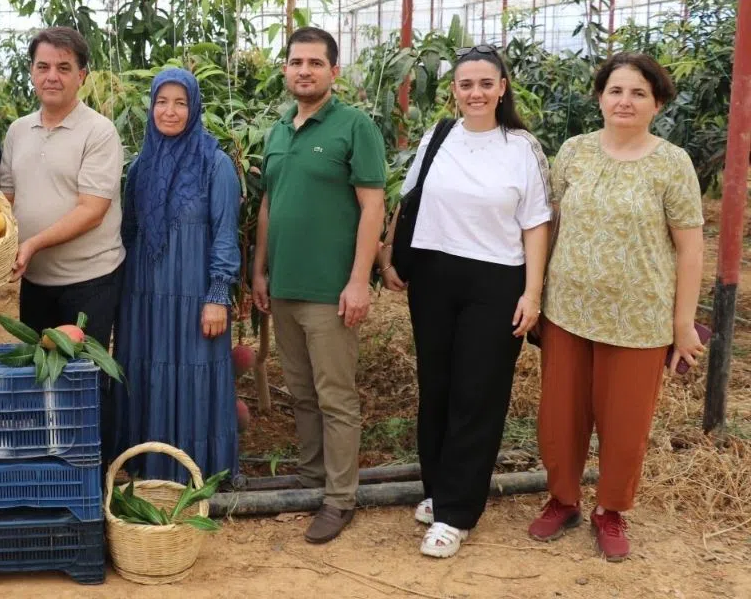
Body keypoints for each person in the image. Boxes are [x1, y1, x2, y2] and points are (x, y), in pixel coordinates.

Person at [528, 53, 704, 562]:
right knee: (560, 416)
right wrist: (536, 292)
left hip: (639, 316)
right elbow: (551, 223)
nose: (625, 101)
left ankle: (610, 509)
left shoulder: (672, 162)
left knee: (625, 423)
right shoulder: (574, 151)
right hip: (569, 309)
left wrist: (683, 324)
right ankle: (563, 500)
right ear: (600, 98)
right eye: (616, 91)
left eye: (638, 93)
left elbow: (690, 248)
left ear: (657, 104)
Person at [377, 45, 551, 558]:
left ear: (502, 89)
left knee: (478, 393)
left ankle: (457, 513)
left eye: (485, 84)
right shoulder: (438, 136)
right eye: (466, 84)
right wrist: (389, 255)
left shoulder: (521, 147)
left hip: (495, 280)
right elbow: (409, 199)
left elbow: (536, 223)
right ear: (454, 90)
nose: (475, 93)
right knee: (437, 388)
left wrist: (532, 292)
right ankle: (438, 489)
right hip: (434, 275)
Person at [252, 27, 386, 544]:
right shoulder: (278, 131)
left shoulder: (355, 126)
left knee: (335, 397)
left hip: (331, 290)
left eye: (314, 62)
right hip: (285, 287)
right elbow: (269, 205)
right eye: (295, 62)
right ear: (285, 70)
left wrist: (358, 280)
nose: (303, 70)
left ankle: (340, 497)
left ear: (334, 71)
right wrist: (260, 270)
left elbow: (372, 206)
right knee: (302, 392)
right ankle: (312, 478)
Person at [110, 67, 241, 484]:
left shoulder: (214, 164)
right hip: (144, 295)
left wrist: (218, 294)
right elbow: (129, 233)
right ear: (151, 107)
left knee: (192, 374)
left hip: (193, 292)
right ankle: (146, 468)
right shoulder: (141, 166)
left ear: (194, 107)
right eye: (161, 102)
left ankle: (196, 473)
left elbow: (225, 233)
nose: (170, 111)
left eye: (180, 103)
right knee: (148, 372)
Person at [0, 26, 124, 347]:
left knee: (82, 372)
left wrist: (32, 244)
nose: (51, 77)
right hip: (35, 279)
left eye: (63, 68)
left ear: (81, 76)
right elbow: (6, 199)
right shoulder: (18, 131)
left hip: (88, 280)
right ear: (32, 72)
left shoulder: (99, 132)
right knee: (39, 368)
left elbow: (92, 211)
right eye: (43, 67)